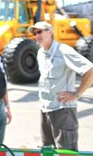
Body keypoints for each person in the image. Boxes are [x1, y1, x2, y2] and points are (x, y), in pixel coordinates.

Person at [28, 21, 93, 151]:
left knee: (66, 151)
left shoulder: (63, 51)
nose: (37, 35)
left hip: (63, 111)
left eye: (40, 31)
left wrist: (77, 94)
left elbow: (89, 71)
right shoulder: (41, 53)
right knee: (48, 150)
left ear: (50, 32)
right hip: (45, 109)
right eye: (35, 33)